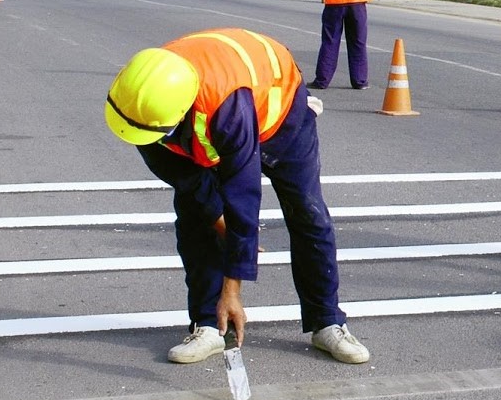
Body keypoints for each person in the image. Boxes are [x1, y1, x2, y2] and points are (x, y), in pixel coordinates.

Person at [104, 27, 370, 365]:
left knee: (307, 212)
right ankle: (207, 325)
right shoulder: (141, 100)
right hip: (213, 103)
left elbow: (243, 197)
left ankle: (327, 321)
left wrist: (233, 291)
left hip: (280, 110)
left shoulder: (230, 110)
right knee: (194, 216)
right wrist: (219, 222)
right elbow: (188, 181)